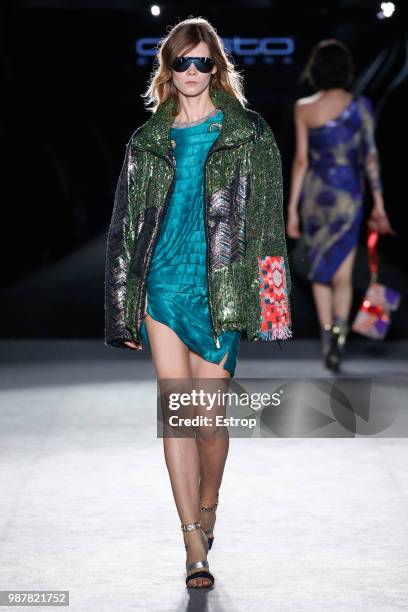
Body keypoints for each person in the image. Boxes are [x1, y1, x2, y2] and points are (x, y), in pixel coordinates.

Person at [104, 17, 292, 588]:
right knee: (178, 417)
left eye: (202, 62)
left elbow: (266, 224)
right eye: (181, 62)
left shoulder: (248, 134)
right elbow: (126, 229)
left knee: (210, 419)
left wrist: (273, 309)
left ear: (217, 68)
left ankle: (209, 507)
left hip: (221, 286)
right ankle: (192, 542)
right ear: (167, 67)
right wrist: (123, 306)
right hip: (162, 284)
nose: (191, 72)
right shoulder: (146, 142)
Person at [286, 39, 394, 371]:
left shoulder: (304, 107)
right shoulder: (360, 106)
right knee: (343, 274)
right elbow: (370, 157)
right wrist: (379, 203)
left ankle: (326, 336)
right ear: (347, 70)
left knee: (320, 272)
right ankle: (341, 334)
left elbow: (302, 159)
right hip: (348, 196)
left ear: (315, 71)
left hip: (316, 198)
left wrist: (292, 208)